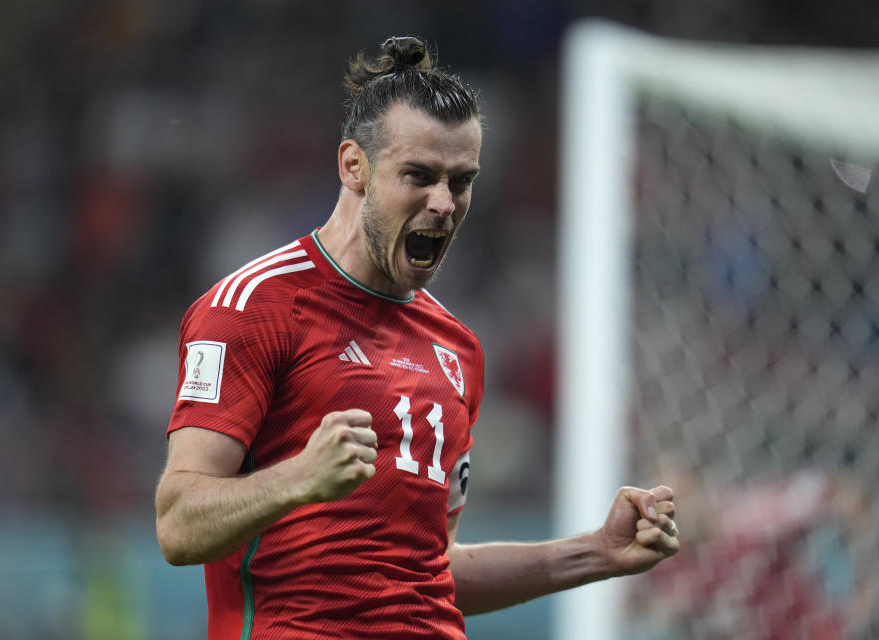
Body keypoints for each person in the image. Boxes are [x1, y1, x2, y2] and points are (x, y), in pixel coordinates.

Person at [155, 35, 679, 639]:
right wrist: (298, 478)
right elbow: (178, 525)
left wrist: (595, 554)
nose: (444, 203)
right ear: (354, 166)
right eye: (419, 176)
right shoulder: (253, 308)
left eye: (461, 181)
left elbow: (430, 571)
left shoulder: (458, 348)